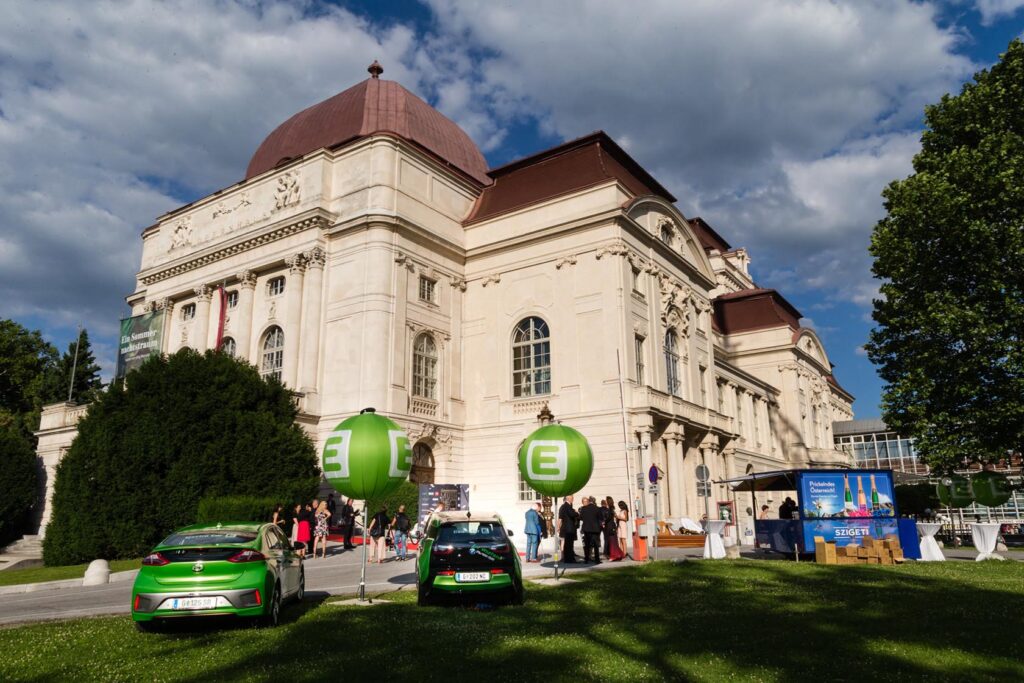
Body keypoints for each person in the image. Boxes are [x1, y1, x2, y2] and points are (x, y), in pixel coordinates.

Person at [579, 496, 603, 564]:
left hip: (587, 529)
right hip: (595, 529)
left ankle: (586, 559)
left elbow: (581, 518)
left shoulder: (583, 508)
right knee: (596, 545)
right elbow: (600, 518)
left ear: (589, 501)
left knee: (587, 545)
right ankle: (597, 560)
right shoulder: (597, 508)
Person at [558, 495, 580, 563]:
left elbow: (560, 518)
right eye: (572, 498)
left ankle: (567, 558)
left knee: (567, 544)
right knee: (569, 545)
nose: (573, 499)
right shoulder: (567, 506)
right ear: (569, 498)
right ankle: (570, 559)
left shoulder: (564, 506)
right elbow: (571, 514)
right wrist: (577, 513)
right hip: (569, 528)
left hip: (565, 528)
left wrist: (559, 527)